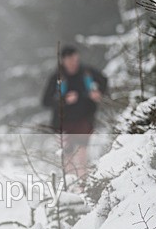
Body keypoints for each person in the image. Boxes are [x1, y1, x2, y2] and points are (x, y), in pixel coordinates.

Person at [41, 45, 108, 182]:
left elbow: (104, 80)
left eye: (76, 60)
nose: (74, 63)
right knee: (68, 155)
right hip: (63, 122)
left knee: (82, 153)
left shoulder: (87, 72)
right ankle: (71, 185)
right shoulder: (57, 77)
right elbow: (46, 101)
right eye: (70, 60)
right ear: (63, 61)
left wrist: (98, 92)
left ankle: (83, 184)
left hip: (84, 119)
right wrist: (64, 100)